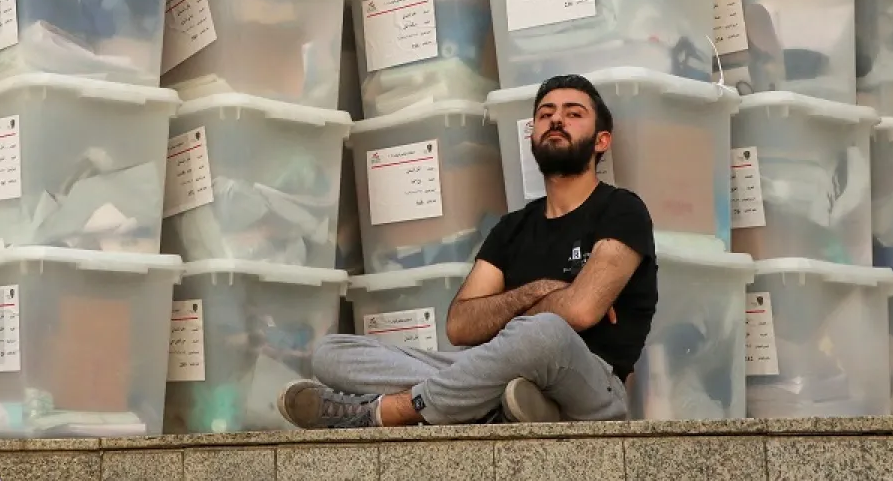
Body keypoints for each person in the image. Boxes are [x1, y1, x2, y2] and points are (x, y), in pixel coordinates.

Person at [278, 74, 657, 428]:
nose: (556, 120)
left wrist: (519, 315)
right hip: (493, 367)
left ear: (601, 140)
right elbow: (460, 326)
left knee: (544, 334)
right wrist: (544, 290)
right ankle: (499, 404)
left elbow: (580, 310)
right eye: (545, 114)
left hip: (591, 382)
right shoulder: (513, 228)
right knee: (331, 352)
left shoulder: (622, 209)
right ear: (532, 134)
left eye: (573, 114)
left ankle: (386, 411)